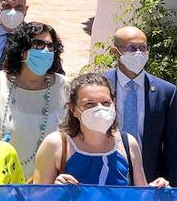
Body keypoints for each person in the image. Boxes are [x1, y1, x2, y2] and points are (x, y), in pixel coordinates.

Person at [32, 72, 169, 188]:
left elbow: (141, 199)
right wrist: (54, 190)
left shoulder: (128, 144)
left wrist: (157, 188)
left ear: (113, 104)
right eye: (89, 104)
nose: (99, 108)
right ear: (73, 109)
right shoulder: (55, 144)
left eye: (105, 103)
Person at [0, 22, 70, 179]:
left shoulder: (64, 86)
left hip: (46, 183)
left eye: (51, 46)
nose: (46, 51)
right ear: (22, 51)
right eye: (38, 44)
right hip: (0, 179)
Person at [103, 26, 177, 186]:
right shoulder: (99, 85)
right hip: (106, 175)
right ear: (115, 51)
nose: (139, 53)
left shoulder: (166, 92)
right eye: (132, 48)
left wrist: (173, 191)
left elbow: (174, 148)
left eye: (143, 48)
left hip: (149, 180)